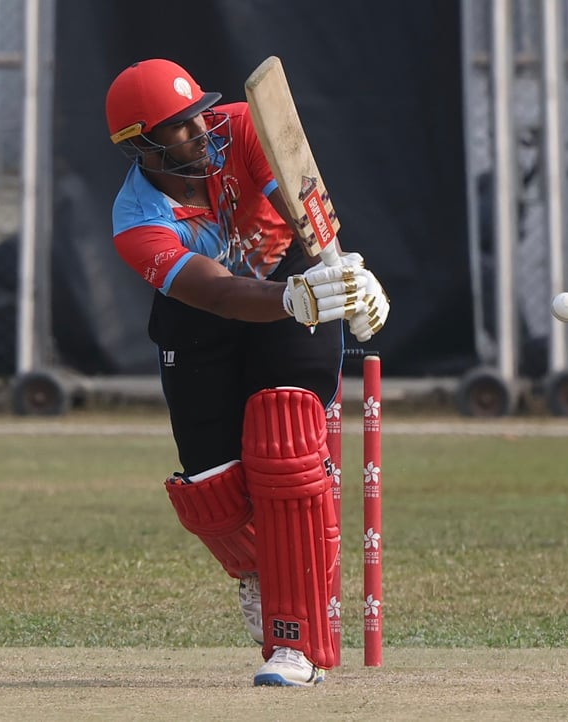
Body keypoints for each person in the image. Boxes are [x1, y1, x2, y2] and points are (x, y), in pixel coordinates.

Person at [104, 58, 390, 686]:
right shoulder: (137, 221)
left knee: (284, 446)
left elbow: (301, 211)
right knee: (212, 491)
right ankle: (264, 573)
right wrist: (295, 298)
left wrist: (344, 278)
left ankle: (297, 645)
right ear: (142, 145)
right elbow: (218, 294)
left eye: (198, 111)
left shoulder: (241, 127)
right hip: (207, 316)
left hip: (292, 286)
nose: (200, 125)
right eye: (180, 124)